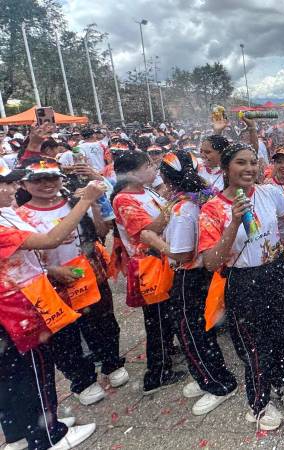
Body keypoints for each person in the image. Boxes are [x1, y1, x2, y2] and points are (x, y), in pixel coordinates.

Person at [199, 142, 284, 430]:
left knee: (282, 335)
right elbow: (210, 261)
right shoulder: (212, 209)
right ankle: (259, 403)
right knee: (254, 346)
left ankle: (281, 384)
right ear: (226, 168)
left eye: (253, 162)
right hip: (243, 281)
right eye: (241, 163)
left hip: (278, 273)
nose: (249, 169)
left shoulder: (269, 192)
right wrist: (233, 222)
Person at [0, 167, 105, 450]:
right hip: (17, 306)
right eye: (4, 186)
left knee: (11, 376)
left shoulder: (7, 211)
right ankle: (49, 436)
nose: (11, 190)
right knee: (36, 372)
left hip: (12, 305)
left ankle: (19, 435)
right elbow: (50, 240)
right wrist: (86, 200)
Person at [14, 157, 128, 408]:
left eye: (52, 178)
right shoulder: (20, 216)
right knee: (63, 337)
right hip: (51, 285)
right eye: (38, 180)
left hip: (89, 275)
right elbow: (21, 256)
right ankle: (82, 381)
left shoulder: (75, 202)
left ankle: (112, 363)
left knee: (103, 322)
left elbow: (100, 232)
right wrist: (51, 270)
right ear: (23, 183)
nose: (46, 184)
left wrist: (94, 205)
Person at [138, 149, 239, 417]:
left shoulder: (185, 209)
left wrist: (153, 240)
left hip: (188, 277)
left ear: (168, 179)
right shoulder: (198, 198)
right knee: (198, 330)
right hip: (200, 277)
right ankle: (207, 372)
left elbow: (182, 253)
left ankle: (218, 383)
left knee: (191, 332)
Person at [111, 150, 188, 395]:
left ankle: (168, 352)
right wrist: (176, 205)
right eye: (149, 165)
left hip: (164, 260)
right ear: (132, 173)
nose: (154, 169)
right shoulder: (123, 200)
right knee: (157, 321)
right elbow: (147, 231)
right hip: (148, 266)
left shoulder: (147, 191)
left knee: (168, 314)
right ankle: (157, 374)